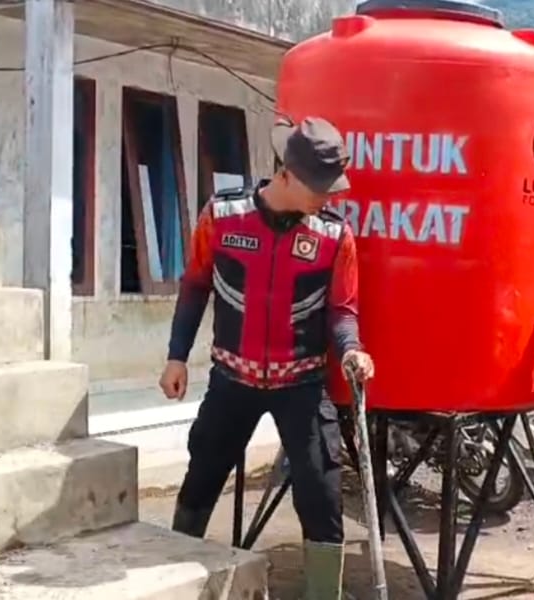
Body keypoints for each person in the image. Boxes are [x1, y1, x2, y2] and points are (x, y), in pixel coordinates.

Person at [158, 116, 375, 600]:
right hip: (231, 378)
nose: (330, 196)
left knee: (321, 493)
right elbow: (194, 286)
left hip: (301, 384)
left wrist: (352, 350)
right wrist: (176, 357)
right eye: (321, 186)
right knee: (202, 475)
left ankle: (323, 593)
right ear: (286, 175)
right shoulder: (223, 216)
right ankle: (172, 575)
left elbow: (342, 311)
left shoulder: (334, 237)